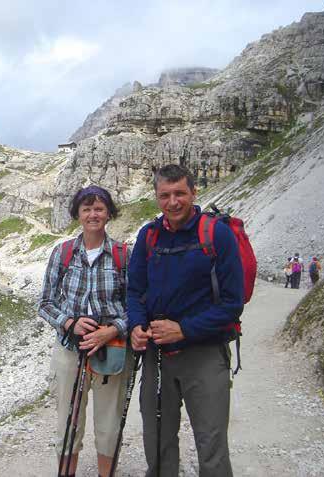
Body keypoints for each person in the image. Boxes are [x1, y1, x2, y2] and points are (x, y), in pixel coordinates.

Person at [127, 164, 244, 477]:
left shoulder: (215, 233)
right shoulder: (148, 235)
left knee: (211, 441)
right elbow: (135, 291)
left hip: (204, 353)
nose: (173, 201)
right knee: (157, 439)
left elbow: (233, 304)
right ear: (156, 197)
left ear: (194, 192)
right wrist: (137, 325)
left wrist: (184, 329)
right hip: (157, 354)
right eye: (165, 195)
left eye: (180, 193)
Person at [38, 185, 131, 477]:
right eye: (87, 209)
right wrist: (70, 322)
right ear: (78, 214)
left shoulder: (122, 255)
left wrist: (112, 330)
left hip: (112, 349)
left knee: (109, 423)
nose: (93, 214)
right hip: (70, 348)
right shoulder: (63, 253)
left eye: (99, 208)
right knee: (69, 421)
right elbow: (46, 303)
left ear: (108, 213)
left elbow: (137, 307)